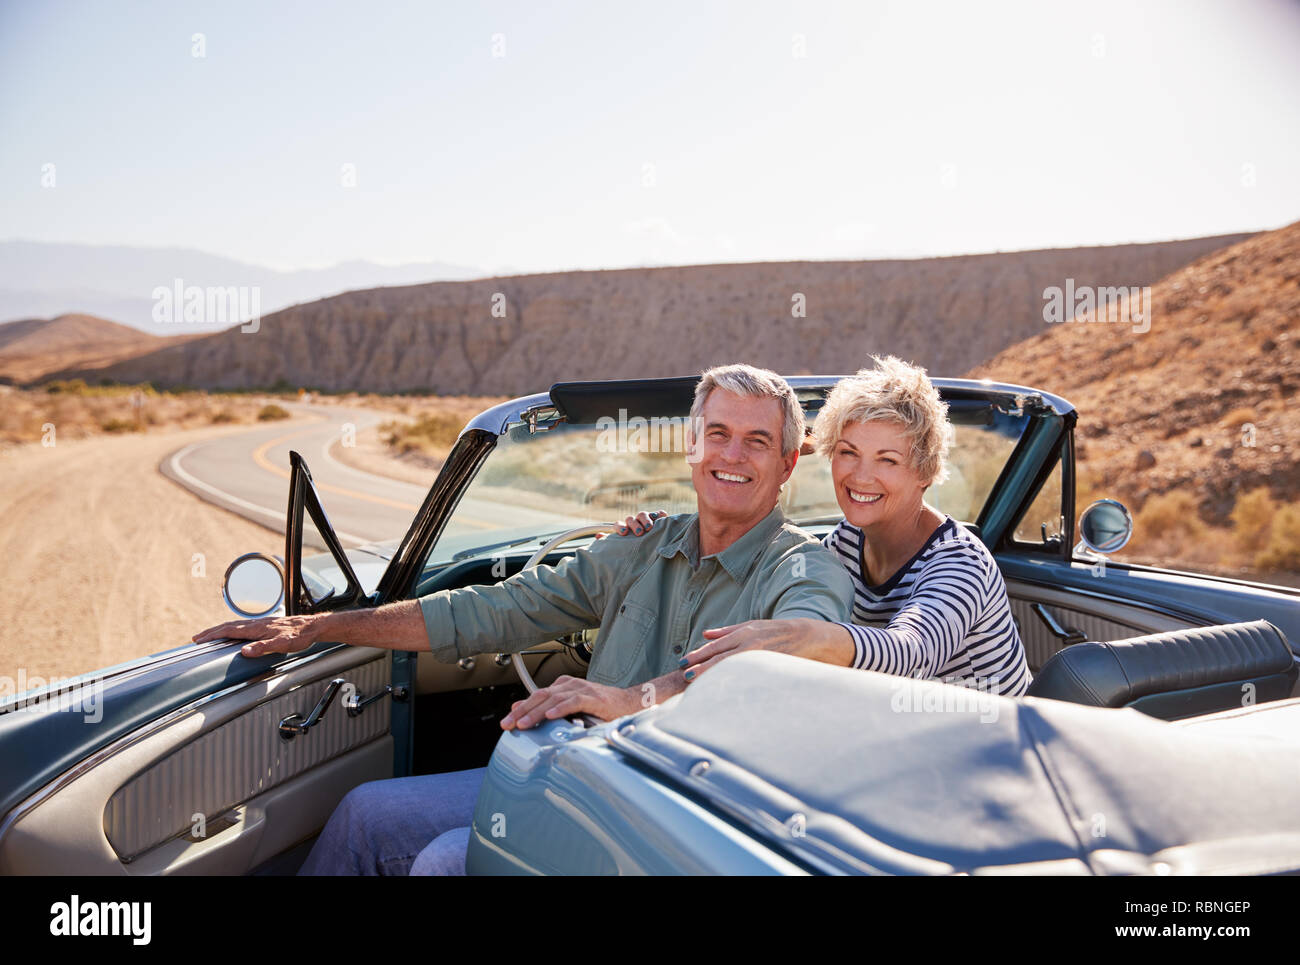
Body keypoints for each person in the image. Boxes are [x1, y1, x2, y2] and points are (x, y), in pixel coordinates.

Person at [191, 363, 854, 874]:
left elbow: (791, 659)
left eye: (757, 441)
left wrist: (629, 699)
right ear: (692, 446)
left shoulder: (804, 570)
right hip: (568, 769)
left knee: (447, 861)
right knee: (365, 813)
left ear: (789, 462)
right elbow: (497, 608)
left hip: (680, 815)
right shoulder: (641, 547)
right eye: (718, 434)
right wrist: (323, 627)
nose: (731, 455)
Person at [618, 355, 1031, 697]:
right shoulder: (844, 543)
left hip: (992, 752)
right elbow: (766, 559)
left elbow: (912, 652)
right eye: (849, 453)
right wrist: (660, 535)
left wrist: (804, 635)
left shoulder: (960, 563)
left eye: (887, 459)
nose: (861, 477)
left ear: (924, 471)